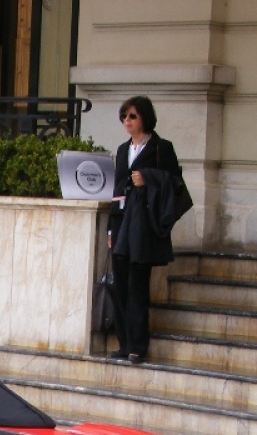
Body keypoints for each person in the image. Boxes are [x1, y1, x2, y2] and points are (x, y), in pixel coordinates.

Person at [107, 95, 187, 365]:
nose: (127, 121)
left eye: (132, 116)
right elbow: (117, 190)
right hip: (121, 221)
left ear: (144, 118)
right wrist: (110, 231)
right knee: (120, 283)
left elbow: (175, 184)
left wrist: (148, 178)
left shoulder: (160, 148)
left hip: (143, 223)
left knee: (138, 283)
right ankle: (124, 342)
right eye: (124, 117)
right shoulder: (121, 150)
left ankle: (137, 346)